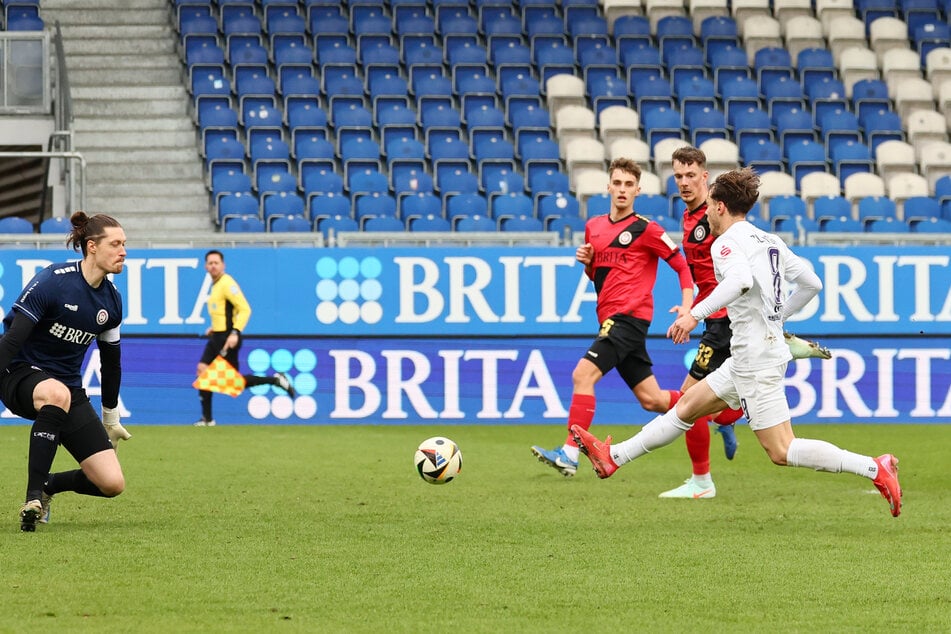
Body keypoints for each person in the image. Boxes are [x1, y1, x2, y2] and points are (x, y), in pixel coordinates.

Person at [570, 168, 902, 518]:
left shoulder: (726, 242)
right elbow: (812, 284)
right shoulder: (769, 241)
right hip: (749, 356)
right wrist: (778, 317)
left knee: (782, 451)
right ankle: (613, 458)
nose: (707, 211)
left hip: (756, 360)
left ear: (720, 206)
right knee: (684, 409)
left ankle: (874, 468)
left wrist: (694, 315)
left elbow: (740, 281)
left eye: (711, 204)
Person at [660, 146, 832, 499]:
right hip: (714, 318)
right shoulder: (690, 219)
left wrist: (700, 312)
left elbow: (742, 271)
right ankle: (727, 417)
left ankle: (702, 481)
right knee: (702, 401)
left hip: (725, 319)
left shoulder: (717, 220)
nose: (684, 183)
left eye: (691, 175)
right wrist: (688, 306)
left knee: (686, 401)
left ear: (705, 179)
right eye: (678, 176)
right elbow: (701, 275)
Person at [530, 158, 695, 476]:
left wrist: (687, 303)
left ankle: (569, 453)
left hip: (629, 318)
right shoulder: (594, 226)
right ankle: (710, 406)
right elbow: (599, 277)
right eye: (617, 183)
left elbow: (680, 263)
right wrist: (588, 263)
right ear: (608, 186)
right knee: (654, 401)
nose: (622, 190)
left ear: (637, 190)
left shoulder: (647, 229)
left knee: (583, 375)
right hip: (610, 318)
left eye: (628, 184)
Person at [1, 212, 133, 531]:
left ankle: (48, 486)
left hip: (68, 389)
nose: (123, 251)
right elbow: (13, 339)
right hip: (19, 373)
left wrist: (111, 417)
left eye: (125, 244)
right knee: (55, 393)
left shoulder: (112, 303)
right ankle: (32, 498)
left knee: (112, 483)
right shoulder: (53, 280)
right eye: (115, 244)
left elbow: (111, 362)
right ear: (92, 246)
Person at [195, 249, 296, 426]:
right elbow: (223, 312)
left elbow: (245, 309)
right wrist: (214, 328)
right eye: (210, 263)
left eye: (216, 263)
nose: (213, 266)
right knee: (202, 370)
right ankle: (207, 419)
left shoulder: (227, 283)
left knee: (236, 383)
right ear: (205, 266)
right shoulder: (216, 285)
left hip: (228, 338)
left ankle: (276, 380)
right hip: (217, 337)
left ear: (223, 265)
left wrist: (235, 332)